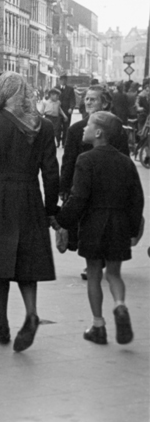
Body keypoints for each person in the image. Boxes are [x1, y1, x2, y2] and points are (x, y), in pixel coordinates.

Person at [0, 71, 59, 352]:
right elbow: (52, 173)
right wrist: (51, 210)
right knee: (27, 262)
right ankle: (31, 312)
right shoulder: (42, 126)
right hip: (29, 197)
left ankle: (2, 323)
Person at [58, 112, 144, 346]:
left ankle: (98, 326)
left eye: (88, 126)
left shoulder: (85, 160)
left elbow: (78, 198)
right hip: (119, 224)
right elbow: (137, 198)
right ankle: (120, 305)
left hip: (94, 224)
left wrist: (63, 221)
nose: (83, 128)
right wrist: (133, 229)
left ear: (98, 133)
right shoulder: (125, 162)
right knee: (114, 274)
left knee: (94, 274)